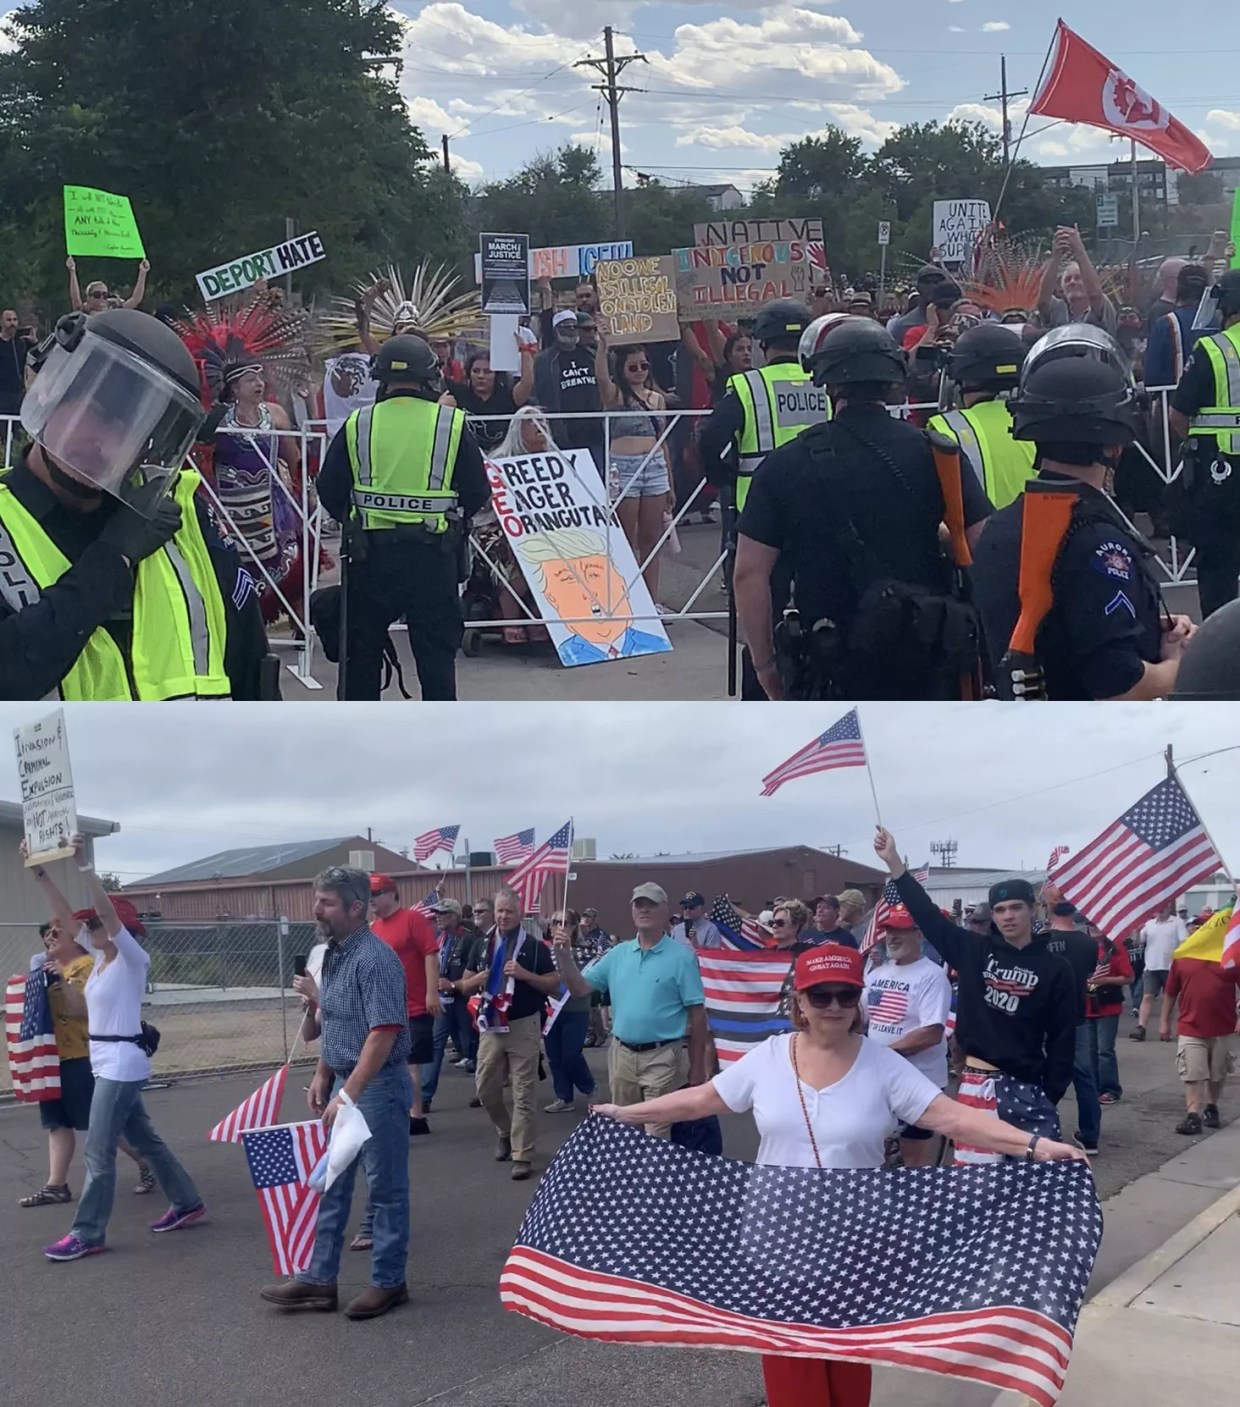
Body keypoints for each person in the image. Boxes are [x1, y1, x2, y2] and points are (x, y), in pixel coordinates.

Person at [592, 942, 1087, 1407]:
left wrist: (1035, 1146)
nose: (834, 1005)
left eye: (846, 994)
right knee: (793, 1372)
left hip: (857, 1240)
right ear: (800, 1002)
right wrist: (626, 1113)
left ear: (858, 1001)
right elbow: (703, 1099)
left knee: (848, 1365)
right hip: (777, 1239)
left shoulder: (883, 1064)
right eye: (820, 995)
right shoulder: (767, 1058)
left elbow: (950, 1117)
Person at [0, 309, 275, 700]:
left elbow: (249, 667)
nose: (108, 444)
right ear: (52, 391)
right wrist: (112, 560)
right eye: (95, 414)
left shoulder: (181, 514)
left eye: (133, 429)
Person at [736, 314, 989, 701]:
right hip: (925, 663)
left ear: (826, 383)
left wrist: (765, 667)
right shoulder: (935, 454)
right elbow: (982, 550)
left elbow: (749, 574)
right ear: (892, 382)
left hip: (829, 665)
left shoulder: (786, 464)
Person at [972, 324, 1194, 701]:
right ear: (1116, 441)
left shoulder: (1002, 525)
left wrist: (1143, 628)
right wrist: (1179, 663)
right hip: (1094, 745)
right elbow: (1119, 686)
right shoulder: (1099, 542)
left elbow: (1061, 629)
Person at [34, 835, 204, 1262]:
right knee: (146, 1140)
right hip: (104, 1059)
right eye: (89, 926)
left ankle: (88, 1232)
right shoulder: (98, 961)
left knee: (99, 1150)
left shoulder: (131, 958)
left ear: (118, 930)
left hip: (122, 1064)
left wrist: (84, 865)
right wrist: (38, 870)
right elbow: (62, 916)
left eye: (96, 925)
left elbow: (107, 914)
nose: (88, 929)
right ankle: (187, 1202)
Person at [261, 866, 412, 1319]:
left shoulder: (376, 959)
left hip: (377, 1087)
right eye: (317, 900)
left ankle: (389, 1282)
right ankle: (318, 1280)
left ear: (356, 908)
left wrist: (348, 1092)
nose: (316, 909)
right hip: (347, 1083)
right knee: (332, 1184)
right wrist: (324, 1075)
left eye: (326, 902)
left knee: (385, 1190)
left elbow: (382, 1033)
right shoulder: (331, 955)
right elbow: (338, 1022)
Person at [874, 827, 1077, 1156]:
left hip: (1028, 1087)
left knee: (1026, 1191)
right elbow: (926, 915)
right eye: (999, 910)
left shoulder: (1056, 968)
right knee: (975, 1191)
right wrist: (895, 863)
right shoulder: (973, 950)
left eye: (1015, 907)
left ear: (1032, 909)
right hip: (976, 1083)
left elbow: (1063, 1040)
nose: (1007, 916)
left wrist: (1049, 1094)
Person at [316, 333, 490, 700]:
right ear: (430, 378)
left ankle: (361, 746)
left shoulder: (358, 424)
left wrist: (358, 520)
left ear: (381, 380)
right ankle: (439, 743)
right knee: (437, 664)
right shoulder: (451, 425)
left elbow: (329, 489)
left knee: (360, 662)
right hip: (433, 559)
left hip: (369, 560)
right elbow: (477, 492)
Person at [552, 882, 707, 1139]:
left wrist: (698, 1065)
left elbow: (698, 1014)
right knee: (626, 1130)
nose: (644, 910)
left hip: (662, 1057)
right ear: (632, 911)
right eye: (639, 905)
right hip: (621, 1055)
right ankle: (634, 1180)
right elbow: (579, 989)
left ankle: (654, 1180)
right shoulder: (617, 954)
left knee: (656, 1132)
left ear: (665, 910)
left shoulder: (682, 958)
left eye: (651, 905)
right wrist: (565, 957)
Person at [458, 887, 561, 1180]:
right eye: (500, 911)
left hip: (523, 1025)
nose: (504, 916)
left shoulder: (534, 946)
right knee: (485, 1088)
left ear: (519, 914)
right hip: (490, 1026)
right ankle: (504, 1130)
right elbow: (463, 985)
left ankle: (522, 1154)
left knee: (523, 1092)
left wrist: (525, 975)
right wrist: (475, 980)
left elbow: (554, 984)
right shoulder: (481, 945)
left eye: (509, 911)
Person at [1168, 268, 1240, 619]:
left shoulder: (1213, 349)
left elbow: (1177, 416)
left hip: (1221, 475)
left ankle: (1222, 657)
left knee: (1218, 573)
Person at [863, 906, 953, 1166]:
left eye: (901, 930)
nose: (892, 937)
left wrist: (880, 1054)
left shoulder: (932, 976)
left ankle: (919, 1207)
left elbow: (932, 1033)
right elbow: (860, 1018)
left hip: (919, 1084)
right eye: (889, 930)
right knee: (877, 1153)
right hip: (880, 1081)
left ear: (918, 934)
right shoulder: (876, 975)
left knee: (916, 1163)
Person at [595, 333, 673, 601]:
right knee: (625, 536)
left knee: (651, 537)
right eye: (633, 366)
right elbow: (602, 378)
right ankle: (625, 597)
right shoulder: (615, 396)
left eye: (644, 365)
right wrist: (603, 345)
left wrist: (670, 483)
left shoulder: (656, 399)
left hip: (654, 466)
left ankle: (651, 600)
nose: (640, 371)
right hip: (624, 466)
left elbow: (663, 442)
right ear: (622, 369)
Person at [926, 323, 1036, 510]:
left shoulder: (945, 429)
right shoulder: (1040, 422)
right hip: (1044, 536)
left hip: (981, 538)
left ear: (962, 377)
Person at [367, 874, 440, 1134]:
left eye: (375, 894)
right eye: (369, 895)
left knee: (411, 1062)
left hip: (414, 1005)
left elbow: (430, 954)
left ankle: (416, 1116)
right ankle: (393, 1110)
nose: (371, 900)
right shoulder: (373, 928)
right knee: (384, 1061)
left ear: (391, 894)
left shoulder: (412, 919)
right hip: (385, 1006)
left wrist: (432, 992)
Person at [1042, 894, 1106, 1154]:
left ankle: (1041, 1128)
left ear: (1049, 908)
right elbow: (1091, 973)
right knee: (1085, 1078)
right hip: (1076, 1016)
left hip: (1043, 1018)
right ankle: (1090, 1135)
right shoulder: (1088, 944)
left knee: (1039, 1074)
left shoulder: (1042, 941)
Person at [1161, 943, 1240, 1134]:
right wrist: (1164, 1021)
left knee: (1217, 1072)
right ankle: (1193, 1115)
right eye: (1197, 926)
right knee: (1192, 1073)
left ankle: (1211, 1107)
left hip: (1223, 1026)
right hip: (1190, 1026)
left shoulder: (1230, 957)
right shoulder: (1182, 958)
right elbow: (1170, 992)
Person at [515, 310, 604, 463]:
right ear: (556, 330)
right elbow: (538, 394)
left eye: (574, 326)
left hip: (594, 431)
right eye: (566, 327)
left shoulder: (591, 355)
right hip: (562, 433)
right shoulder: (544, 360)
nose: (571, 330)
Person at [421, 898, 484, 1110]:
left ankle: (484, 1091)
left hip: (463, 1002)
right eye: (436, 913)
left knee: (472, 1045)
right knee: (435, 1045)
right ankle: (424, 1097)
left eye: (443, 913)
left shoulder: (467, 940)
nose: (438, 917)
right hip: (444, 1002)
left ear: (455, 916)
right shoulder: (441, 939)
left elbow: (474, 973)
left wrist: (454, 985)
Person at [543, 908, 597, 1114]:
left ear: (574, 927)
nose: (560, 926)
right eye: (556, 922)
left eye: (566, 922)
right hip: (551, 1010)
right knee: (554, 1056)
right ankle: (563, 1096)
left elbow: (584, 980)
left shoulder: (587, 950)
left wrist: (565, 954)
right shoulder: (544, 951)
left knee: (571, 1055)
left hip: (575, 1008)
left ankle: (589, 1086)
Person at [1036, 227, 1118, 335]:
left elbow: (1095, 295)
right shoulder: (1058, 309)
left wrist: (1079, 250)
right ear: (1061, 288)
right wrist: (1055, 257)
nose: (1072, 282)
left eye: (1078, 278)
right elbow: (1043, 301)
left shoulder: (1101, 308)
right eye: (1067, 279)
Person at [1085, 921, 1133, 1106]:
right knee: (1090, 1051)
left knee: (1104, 1050)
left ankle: (1110, 1089)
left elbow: (1128, 977)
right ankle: (1095, 1087)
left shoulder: (1115, 947)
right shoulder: (1083, 947)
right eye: (1090, 924)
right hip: (1086, 1005)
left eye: (1097, 924)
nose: (1093, 927)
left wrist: (1105, 980)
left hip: (1107, 1005)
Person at [1144, 263, 1210, 391]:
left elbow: (1151, 376)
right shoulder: (1220, 322)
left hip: (1176, 401)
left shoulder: (1166, 323)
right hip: (1219, 404)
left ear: (1179, 287)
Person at [1132, 903, 1187, 1041]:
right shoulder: (1149, 924)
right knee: (1147, 997)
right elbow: (1137, 943)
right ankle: (1141, 1028)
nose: (1160, 910)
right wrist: (1137, 933)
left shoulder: (1177, 922)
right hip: (1151, 966)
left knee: (1168, 999)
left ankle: (1165, 1027)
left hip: (1171, 967)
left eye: (1164, 907)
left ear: (1169, 908)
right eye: (1158, 907)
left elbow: (1185, 941)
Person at [445, 351, 516, 453]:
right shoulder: (457, 394)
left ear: (497, 375)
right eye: (476, 371)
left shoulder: (507, 395)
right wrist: (441, 404)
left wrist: (526, 351)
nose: (481, 376)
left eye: (487, 372)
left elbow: (527, 384)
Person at [887, 264, 949, 345]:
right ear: (918, 287)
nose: (933, 286)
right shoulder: (903, 325)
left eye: (937, 282)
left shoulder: (957, 317)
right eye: (927, 282)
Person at [67, 256, 150, 315]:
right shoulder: (85, 311)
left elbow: (135, 300)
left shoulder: (113, 307)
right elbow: (75, 299)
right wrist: (72, 271)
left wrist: (143, 272)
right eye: (97, 295)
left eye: (105, 295)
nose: (102, 298)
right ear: (88, 297)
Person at [580, 907, 613, 1046]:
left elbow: (605, 953)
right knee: (587, 1005)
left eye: (589, 916)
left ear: (595, 918)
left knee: (593, 1004)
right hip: (584, 971)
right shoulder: (583, 935)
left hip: (595, 972)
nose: (587, 919)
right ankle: (592, 1033)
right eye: (585, 916)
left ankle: (599, 1032)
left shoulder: (601, 935)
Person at [0, 309, 35, 418]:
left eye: (15, 320)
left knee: (19, 430)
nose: (12, 323)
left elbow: (39, 360)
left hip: (19, 394)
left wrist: (34, 343)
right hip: (2, 395)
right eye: (8, 320)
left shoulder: (21, 343)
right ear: (1, 322)